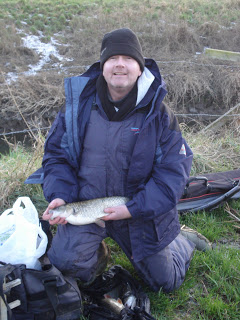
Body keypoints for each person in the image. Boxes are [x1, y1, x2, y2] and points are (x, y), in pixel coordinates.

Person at [42, 28, 202, 293]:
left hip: (137, 211)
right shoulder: (76, 109)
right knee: (65, 265)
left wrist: (134, 208)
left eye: (128, 58)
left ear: (140, 68)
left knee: (165, 283)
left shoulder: (160, 115)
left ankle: (183, 242)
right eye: (112, 58)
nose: (119, 64)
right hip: (87, 206)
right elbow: (56, 159)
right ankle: (98, 251)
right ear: (102, 66)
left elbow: (173, 175)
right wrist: (60, 195)